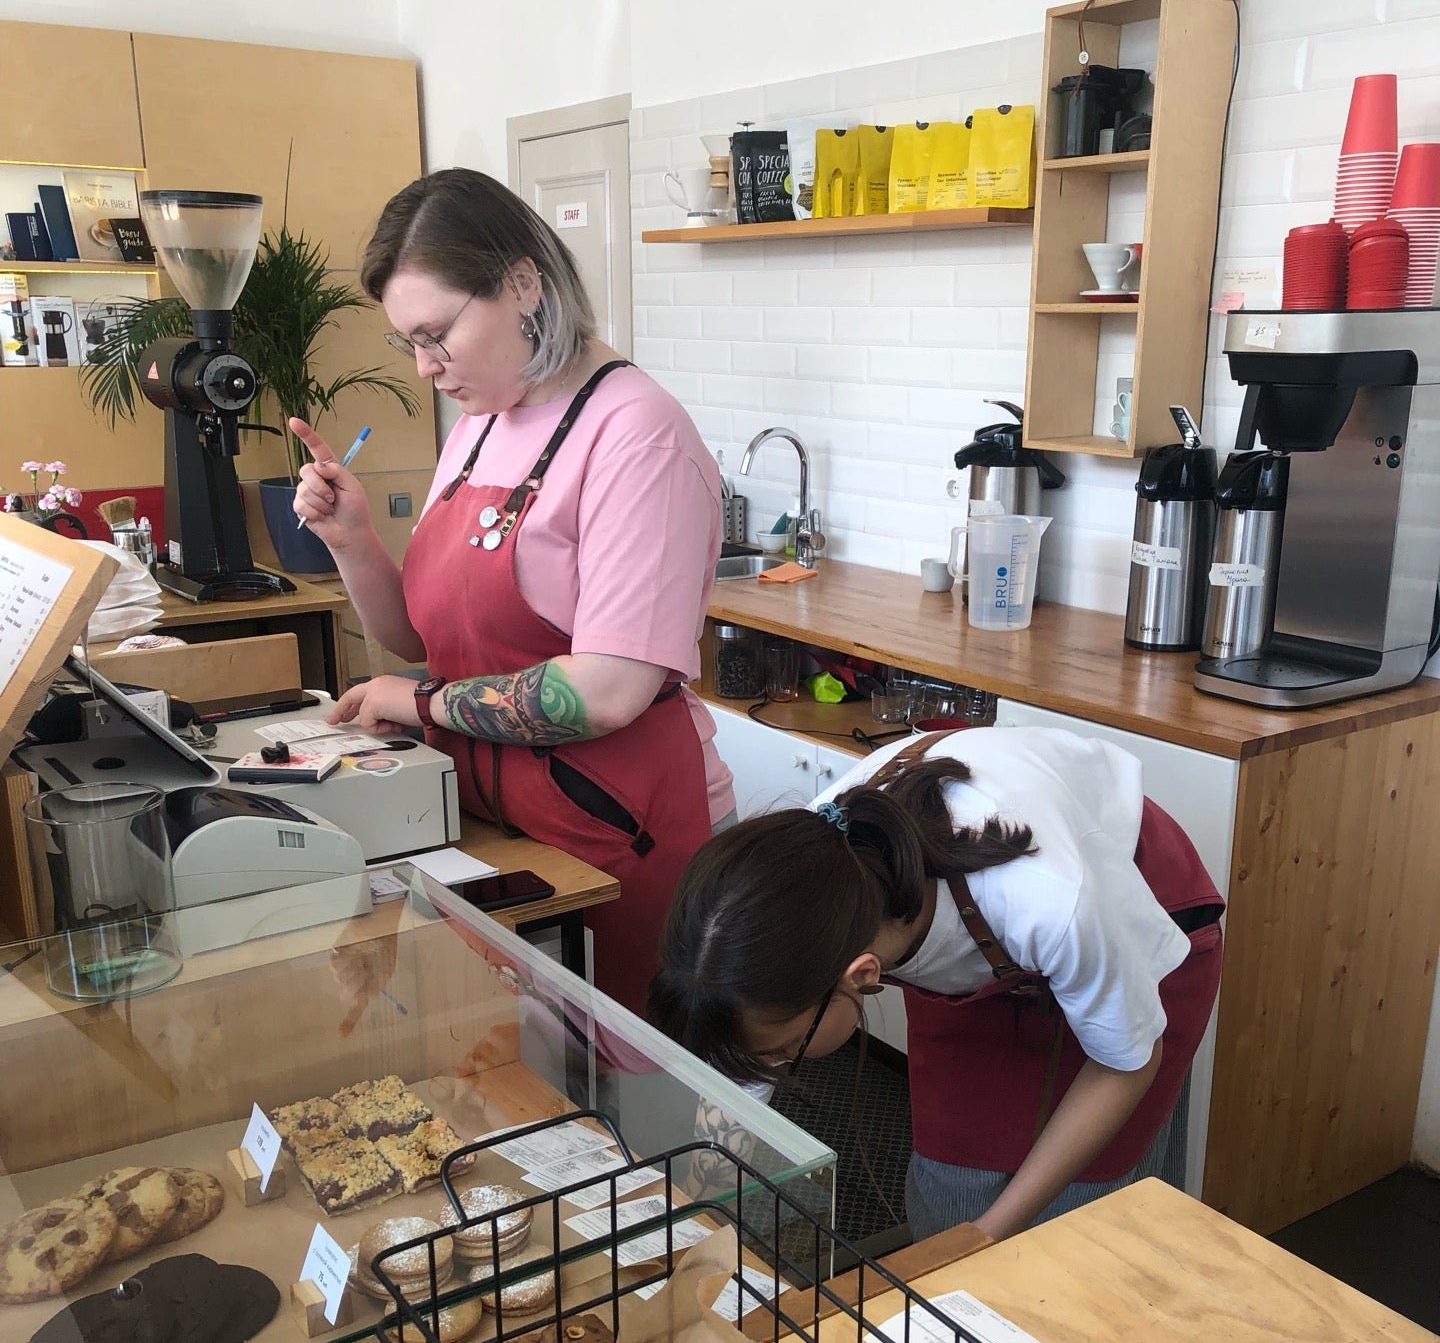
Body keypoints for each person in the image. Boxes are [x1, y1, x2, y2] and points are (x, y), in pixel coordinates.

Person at [290, 168, 735, 1014]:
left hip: (619, 836)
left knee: (628, 1067)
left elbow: (604, 692)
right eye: (408, 343)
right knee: (506, 1066)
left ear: (523, 283)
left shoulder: (636, 435)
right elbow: (422, 640)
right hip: (498, 826)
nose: (425, 368)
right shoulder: (479, 425)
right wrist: (351, 539)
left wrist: (421, 704)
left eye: (436, 335)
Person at [647, 725, 1224, 1241]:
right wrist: (698, 1220)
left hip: (1132, 915)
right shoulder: (817, 883)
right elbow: (744, 1058)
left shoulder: (1048, 900)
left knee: (1081, 1214)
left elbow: (1124, 1063)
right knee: (952, 1184)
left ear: (862, 974)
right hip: (996, 941)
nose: (771, 1067)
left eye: (783, 1052)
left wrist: (986, 1236)